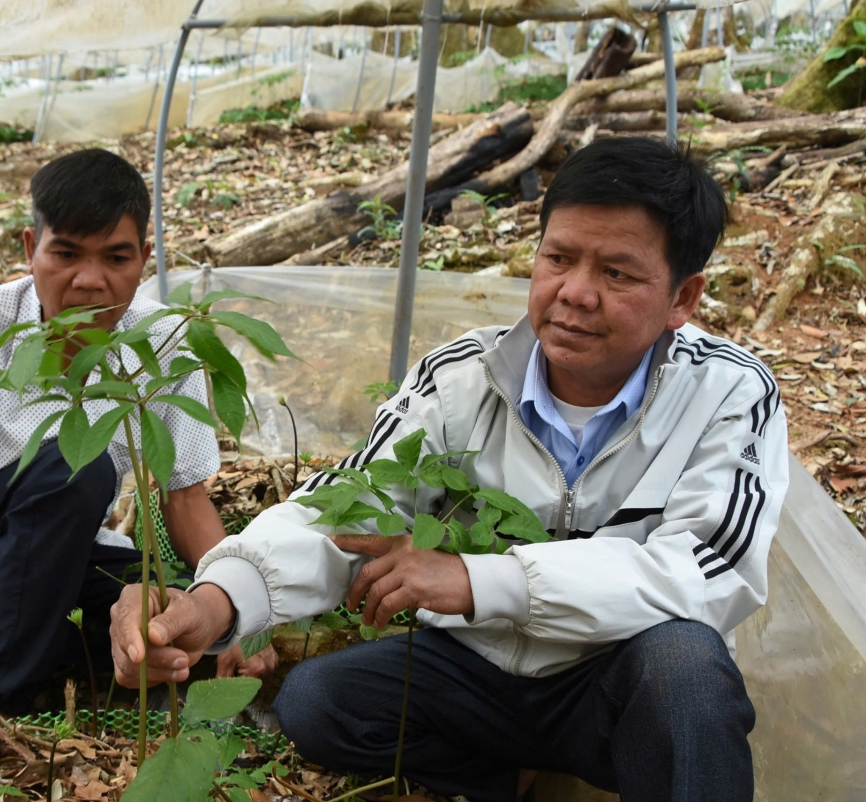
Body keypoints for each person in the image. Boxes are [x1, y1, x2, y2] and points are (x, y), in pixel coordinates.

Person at [110, 137, 788, 802]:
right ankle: (513, 775)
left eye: (618, 274)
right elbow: (349, 506)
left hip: (612, 678)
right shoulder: (464, 376)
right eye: (558, 258)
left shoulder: (728, 393)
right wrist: (217, 598)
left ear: (683, 297)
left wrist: (478, 579)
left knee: (687, 670)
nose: (575, 293)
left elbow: (705, 571)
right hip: (481, 671)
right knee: (321, 703)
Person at [0, 148, 274, 762]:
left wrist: (236, 615)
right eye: (65, 254)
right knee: (73, 465)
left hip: (52, 555)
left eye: (116, 257)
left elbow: (185, 494)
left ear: (145, 258)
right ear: (31, 247)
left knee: (170, 607)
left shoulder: (162, 342)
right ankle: (0, 704)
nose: (90, 280)